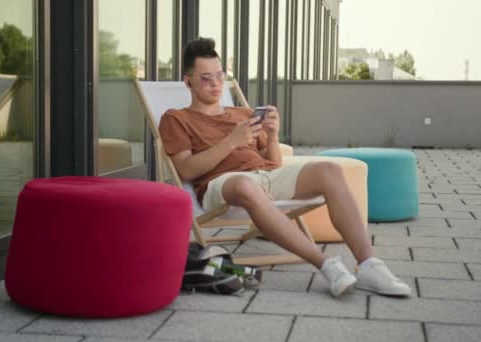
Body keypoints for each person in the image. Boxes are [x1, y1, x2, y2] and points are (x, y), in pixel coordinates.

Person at [159, 37, 411, 298]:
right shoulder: (176, 118)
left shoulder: (242, 114)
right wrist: (231, 142)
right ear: (188, 82)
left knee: (330, 170)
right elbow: (186, 170)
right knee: (246, 184)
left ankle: (369, 264)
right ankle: (326, 264)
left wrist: (273, 134)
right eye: (206, 78)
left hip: (264, 175)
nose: (216, 84)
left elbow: (274, 163)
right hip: (223, 183)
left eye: (220, 75)